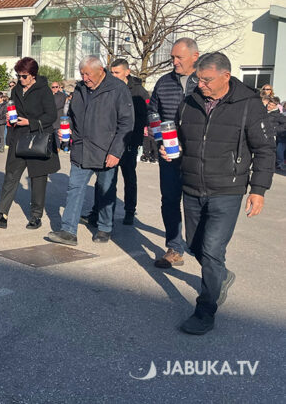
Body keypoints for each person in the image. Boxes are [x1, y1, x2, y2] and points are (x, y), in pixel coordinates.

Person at [162, 52, 274, 335]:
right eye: (198, 79)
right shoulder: (190, 102)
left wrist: (258, 190)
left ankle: (204, 311)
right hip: (191, 185)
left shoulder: (249, 105)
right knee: (194, 244)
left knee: (212, 250)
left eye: (207, 80)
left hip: (227, 188)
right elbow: (180, 135)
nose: (201, 85)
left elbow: (264, 150)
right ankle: (221, 276)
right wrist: (169, 151)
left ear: (226, 76)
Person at [47, 56, 134, 245]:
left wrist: (116, 151)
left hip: (106, 150)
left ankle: (104, 227)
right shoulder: (80, 89)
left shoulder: (118, 89)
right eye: (82, 74)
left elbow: (127, 123)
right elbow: (70, 115)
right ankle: (68, 230)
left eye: (88, 74)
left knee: (105, 190)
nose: (85, 78)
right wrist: (67, 128)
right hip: (81, 148)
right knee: (74, 188)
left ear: (101, 70)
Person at [0, 58, 61, 230]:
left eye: (24, 76)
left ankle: (35, 216)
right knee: (11, 176)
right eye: (19, 75)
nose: (21, 79)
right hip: (18, 138)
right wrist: (10, 121)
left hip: (38, 139)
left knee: (38, 179)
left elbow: (51, 116)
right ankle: (1, 214)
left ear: (33, 75)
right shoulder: (17, 89)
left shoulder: (44, 91)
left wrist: (30, 122)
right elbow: (13, 110)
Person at [148, 37, 199, 269]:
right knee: (169, 200)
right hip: (168, 155)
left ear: (195, 57)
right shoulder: (164, 82)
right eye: (172, 57)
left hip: (197, 156)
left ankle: (202, 249)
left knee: (196, 203)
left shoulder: (205, 82)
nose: (174, 62)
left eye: (179, 57)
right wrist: (160, 140)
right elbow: (153, 113)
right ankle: (175, 247)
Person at [82, 59, 148, 227]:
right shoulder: (108, 87)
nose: (113, 76)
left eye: (117, 73)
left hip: (129, 142)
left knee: (129, 178)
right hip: (107, 143)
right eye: (112, 73)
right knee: (103, 180)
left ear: (127, 72)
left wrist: (134, 140)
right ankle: (97, 212)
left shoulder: (139, 92)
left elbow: (141, 119)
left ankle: (129, 211)